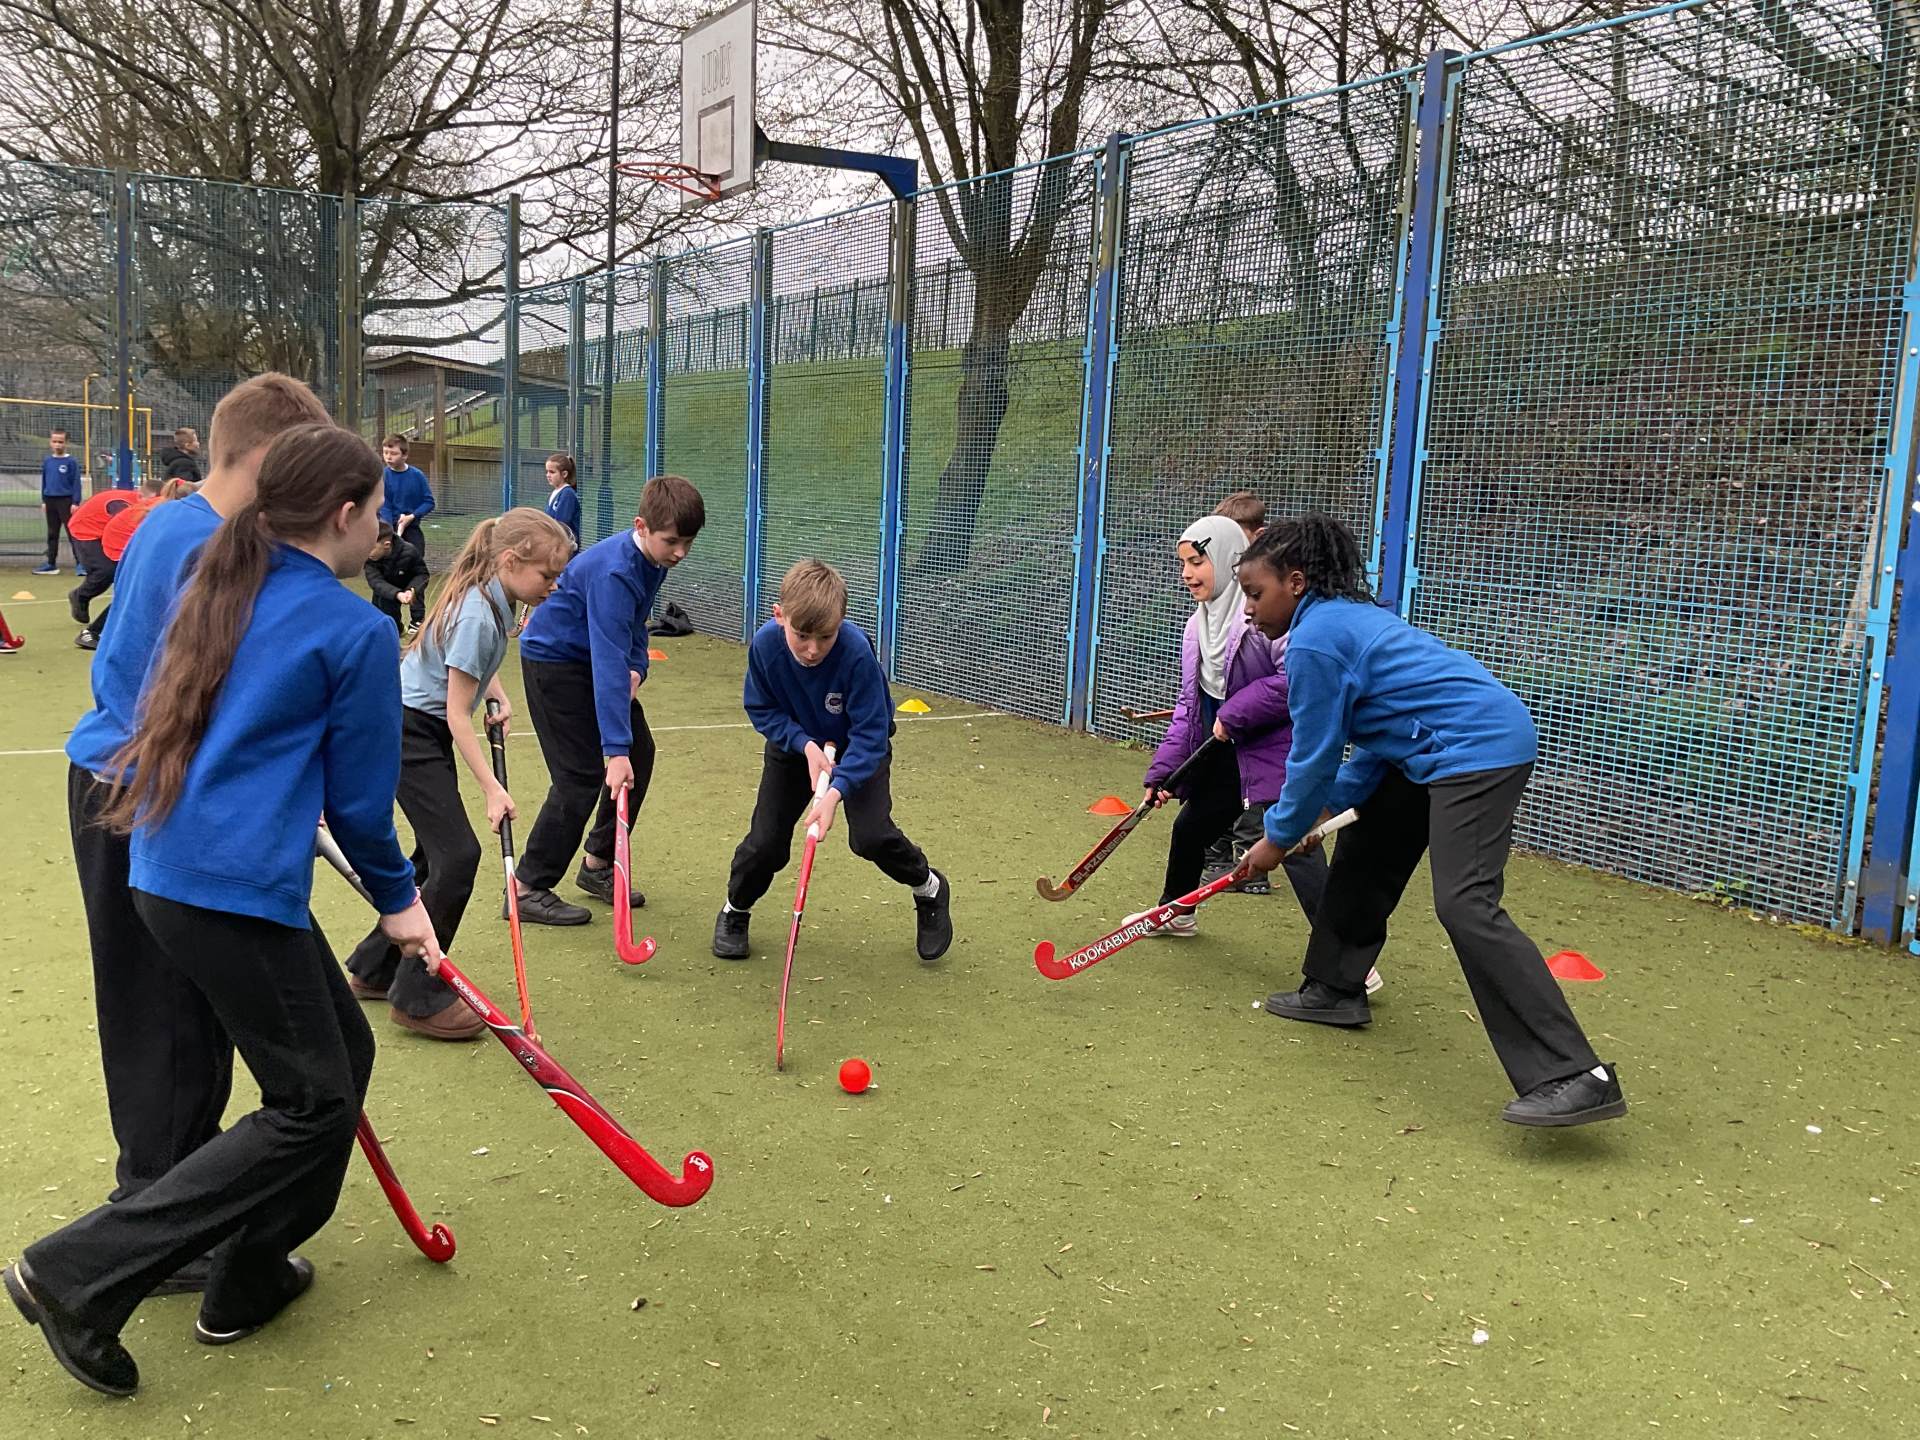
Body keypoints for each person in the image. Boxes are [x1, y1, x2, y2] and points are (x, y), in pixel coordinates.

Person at [4, 423, 440, 1397]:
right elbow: (361, 809)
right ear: (343, 514)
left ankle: (249, 1274)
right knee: (312, 1103)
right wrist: (401, 905)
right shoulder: (356, 631)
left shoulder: (224, 582)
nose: (383, 529)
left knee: (341, 1060)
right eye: (377, 512)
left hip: (169, 867)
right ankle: (76, 1273)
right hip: (224, 888)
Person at [61, 374, 334, 1293]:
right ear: (261, 458)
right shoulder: (204, 541)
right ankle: (155, 1218)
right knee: (162, 1013)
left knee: (188, 1009)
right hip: (138, 789)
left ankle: (177, 1195)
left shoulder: (186, 526)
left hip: (144, 780)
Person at [1238, 512, 1625, 1128]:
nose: (1249, 610)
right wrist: (1328, 809)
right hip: (1427, 752)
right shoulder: (1343, 619)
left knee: (1465, 903)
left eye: (1256, 594)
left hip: (1477, 752)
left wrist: (1277, 838)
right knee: (1369, 846)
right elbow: (1382, 734)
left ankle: (1575, 1074)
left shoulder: (1316, 640)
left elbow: (1312, 754)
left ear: (1296, 581)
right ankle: (1335, 988)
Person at [346, 508, 571, 1039]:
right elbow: (454, 714)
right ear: (511, 561)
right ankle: (417, 996)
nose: (554, 585)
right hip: (409, 730)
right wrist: (493, 789)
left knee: (432, 856)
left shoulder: (492, 596)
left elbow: (461, 666)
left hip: (416, 724)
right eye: (547, 575)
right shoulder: (478, 614)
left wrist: (495, 691)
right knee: (457, 856)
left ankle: (374, 968)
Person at [1125, 516, 1349, 965]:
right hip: (1230, 755)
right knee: (1191, 827)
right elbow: (1190, 706)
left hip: (1276, 752)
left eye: (1197, 562)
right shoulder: (1196, 628)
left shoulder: (1265, 620)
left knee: (1295, 846)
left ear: (1228, 560)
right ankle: (1176, 912)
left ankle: (1346, 955)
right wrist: (1166, 771)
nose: (1187, 573)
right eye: (1183, 564)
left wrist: (1236, 711)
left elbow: (1294, 680)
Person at [712, 559, 952, 963]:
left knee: (871, 837)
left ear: (841, 621)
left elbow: (872, 734)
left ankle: (929, 888)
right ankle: (735, 910)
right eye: (802, 636)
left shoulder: (855, 653)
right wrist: (803, 744)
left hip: (858, 748)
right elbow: (762, 707)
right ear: (779, 616)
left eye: (825, 637)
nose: (812, 649)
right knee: (766, 844)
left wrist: (835, 792)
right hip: (795, 749)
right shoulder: (766, 647)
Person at [513, 474, 703, 925]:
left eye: (687, 542)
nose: (680, 552)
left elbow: (634, 627)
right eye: (672, 541)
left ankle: (598, 864)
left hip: (589, 658)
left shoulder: (653, 560)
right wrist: (613, 751)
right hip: (554, 663)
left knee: (641, 752)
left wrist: (638, 668)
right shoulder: (615, 572)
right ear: (641, 527)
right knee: (579, 777)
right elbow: (606, 657)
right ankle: (526, 887)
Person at [1203, 489, 1271, 893]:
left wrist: (1242, 707)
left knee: (1256, 784)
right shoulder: (1214, 596)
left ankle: (1251, 864)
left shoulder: (1267, 595)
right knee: (1223, 777)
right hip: (1226, 708)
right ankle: (1219, 852)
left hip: (1257, 714)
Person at [73, 478, 195, 650]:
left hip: (131, 540)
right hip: (119, 543)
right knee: (137, 591)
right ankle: (92, 632)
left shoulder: (175, 508)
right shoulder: (165, 511)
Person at [379, 434, 435, 626]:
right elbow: (384, 504)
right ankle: (394, 621)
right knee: (389, 574)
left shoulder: (417, 476)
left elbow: (429, 502)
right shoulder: (384, 475)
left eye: (393, 453)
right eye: (386, 452)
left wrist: (411, 516)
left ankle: (417, 619)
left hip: (412, 531)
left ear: (404, 455)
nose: (388, 457)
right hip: (390, 531)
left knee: (415, 573)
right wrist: (391, 528)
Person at [65, 484, 140, 627]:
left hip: (105, 531)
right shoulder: (125, 506)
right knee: (105, 570)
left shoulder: (143, 504)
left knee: (120, 568)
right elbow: (123, 529)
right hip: (86, 530)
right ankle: (81, 596)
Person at [363, 521, 430, 633]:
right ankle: (398, 628)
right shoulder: (369, 559)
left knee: (416, 591)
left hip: (407, 582)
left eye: (371, 548)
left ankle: (417, 621)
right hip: (387, 588)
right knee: (386, 620)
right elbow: (376, 582)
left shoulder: (410, 551)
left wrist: (411, 590)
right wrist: (397, 594)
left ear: (387, 545)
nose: (366, 552)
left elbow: (422, 574)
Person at [34, 427, 82, 575]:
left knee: (72, 533)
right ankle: (51, 564)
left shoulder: (71, 462)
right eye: (54, 441)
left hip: (66, 501)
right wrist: (44, 500)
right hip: (50, 501)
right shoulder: (48, 461)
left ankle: (80, 564)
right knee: (52, 533)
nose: (57, 445)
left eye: (60, 442)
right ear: (50, 442)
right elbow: (44, 481)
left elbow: (76, 483)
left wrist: (75, 502)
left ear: (66, 443)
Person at [545, 452, 582, 549]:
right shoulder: (554, 493)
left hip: (565, 547)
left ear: (564, 474)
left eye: (552, 472)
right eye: (547, 471)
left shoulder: (567, 493)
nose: (548, 475)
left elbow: (562, 523)